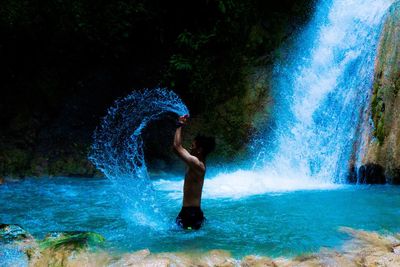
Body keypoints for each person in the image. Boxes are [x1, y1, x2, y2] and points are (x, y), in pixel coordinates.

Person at [173, 115, 215, 230]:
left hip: (190, 214)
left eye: (193, 145)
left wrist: (179, 124)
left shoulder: (197, 164)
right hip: (190, 212)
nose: (190, 148)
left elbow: (177, 147)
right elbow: (180, 148)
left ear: (199, 150)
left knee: (187, 243)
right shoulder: (196, 163)